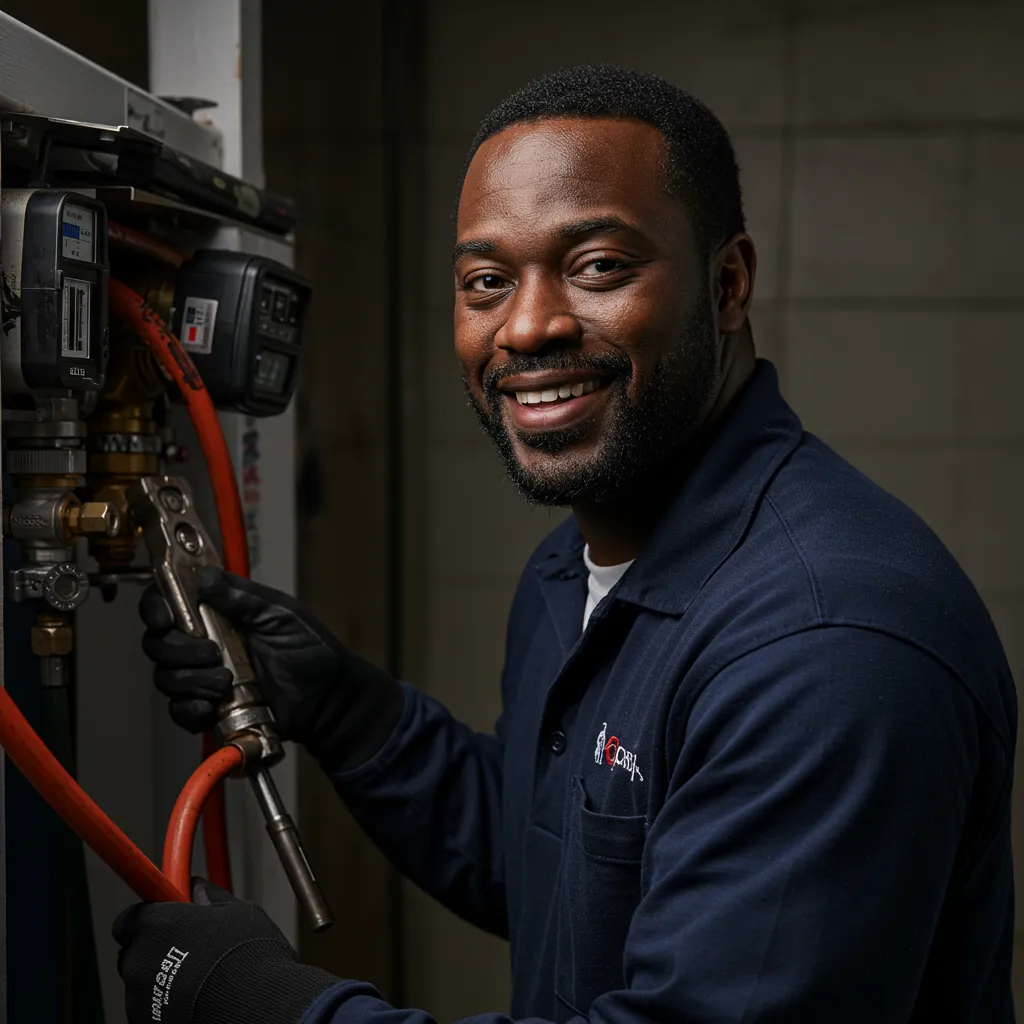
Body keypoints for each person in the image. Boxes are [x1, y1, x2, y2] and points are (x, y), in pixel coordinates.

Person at [114, 66, 1017, 1024]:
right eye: (487, 282)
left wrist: (261, 1005)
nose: (530, 325)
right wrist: (350, 714)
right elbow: (565, 866)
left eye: (597, 268)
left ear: (727, 283)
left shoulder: (827, 646)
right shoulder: (578, 561)